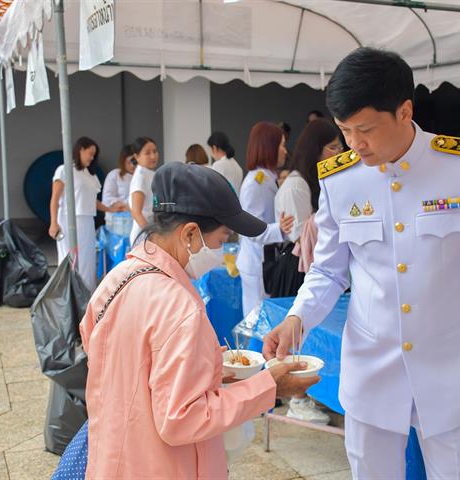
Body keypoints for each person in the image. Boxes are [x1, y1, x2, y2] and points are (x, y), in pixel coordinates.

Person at [263, 47, 460, 479]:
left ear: (405, 111)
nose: (354, 144)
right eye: (345, 131)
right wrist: (297, 318)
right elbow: (328, 269)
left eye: (365, 129)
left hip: (450, 370)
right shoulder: (340, 178)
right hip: (371, 369)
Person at [80, 162, 319, 479]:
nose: (222, 250)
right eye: (221, 241)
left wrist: (204, 364)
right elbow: (182, 418)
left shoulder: (118, 277)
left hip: (112, 458)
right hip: (164, 467)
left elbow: (109, 353)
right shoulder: (179, 307)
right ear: (190, 233)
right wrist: (269, 386)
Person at [274, 118, 342, 425]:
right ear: (316, 149)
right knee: (301, 333)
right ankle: (297, 399)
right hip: (300, 264)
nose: (338, 152)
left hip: (312, 261)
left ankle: (307, 393)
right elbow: (297, 232)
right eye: (332, 147)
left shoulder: (319, 180)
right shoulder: (298, 184)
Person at [49, 137, 121, 291]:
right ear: (80, 150)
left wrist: (110, 209)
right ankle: (68, 294)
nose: (92, 157)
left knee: (88, 259)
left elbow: (92, 201)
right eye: (90, 153)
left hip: (87, 220)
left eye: (94, 155)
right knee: (69, 258)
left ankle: (87, 294)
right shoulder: (64, 170)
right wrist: (53, 222)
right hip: (68, 220)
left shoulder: (91, 175)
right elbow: (55, 198)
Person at [237, 122, 294, 316]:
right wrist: (281, 229)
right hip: (258, 262)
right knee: (256, 319)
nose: (285, 151)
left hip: (264, 259)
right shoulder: (257, 182)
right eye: (282, 145)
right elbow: (251, 228)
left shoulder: (266, 178)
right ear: (269, 147)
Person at [129, 136, 159, 246]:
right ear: (137, 157)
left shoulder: (149, 173)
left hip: (151, 230)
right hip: (143, 234)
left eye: (155, 151)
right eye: (147, 153)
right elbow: (136, 213)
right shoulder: (140, 177)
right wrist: (151, 235)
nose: (153, 156)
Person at [102, 144, 135, 225]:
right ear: (123, 161)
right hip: (117, 221)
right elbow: (107, 199)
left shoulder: (141, 176)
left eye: (135, 162)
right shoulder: (114, 174)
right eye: (129, 162)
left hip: (135, 220)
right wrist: (125, 206)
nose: (133, 165)